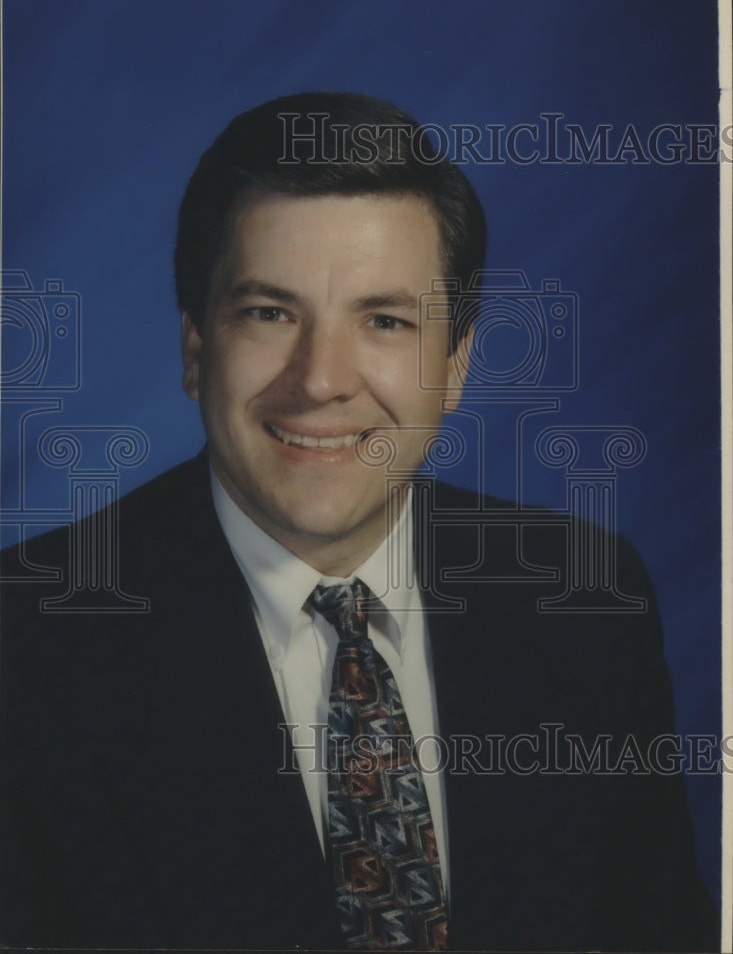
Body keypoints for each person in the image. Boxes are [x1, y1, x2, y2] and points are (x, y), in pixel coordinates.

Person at [0, 92, 717, 952]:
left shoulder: (584, 599)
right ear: (197, 349)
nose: (321, 380)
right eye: (270, 312)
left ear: (453, 367)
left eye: (384, 321)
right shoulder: (29, 647)